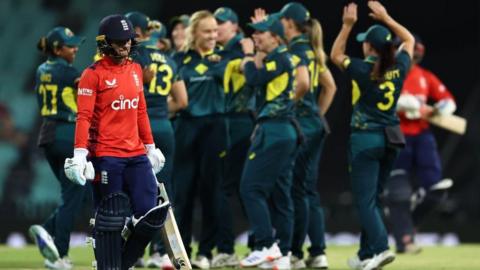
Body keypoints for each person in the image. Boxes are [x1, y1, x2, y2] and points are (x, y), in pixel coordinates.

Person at [63, 14, 168, 270]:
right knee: (110, 218)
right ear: (105, 42)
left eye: (128, 41)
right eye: (119, 41)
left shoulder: (135, 69)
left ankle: (117, 264)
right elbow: (84, 116)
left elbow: (140, 110)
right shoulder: (92, 75)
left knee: (151, 215)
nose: (125, 46)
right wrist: (80, 154)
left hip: (136, 155)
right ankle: (109, 262)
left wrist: (150, 147)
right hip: (106, 155)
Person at [330, 1, 414, 270]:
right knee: (374, 198)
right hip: (391, 140)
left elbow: (335, 55)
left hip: (366, 139)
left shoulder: (362, 69)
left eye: (366, 42)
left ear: (369, 48)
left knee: (365, 201)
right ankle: (367, 253)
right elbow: (409, 39)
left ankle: (380, 248)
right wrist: (388, 18)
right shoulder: (399, 65)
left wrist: (346, 26)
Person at [275, 2, 337, 269]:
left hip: (300, 124)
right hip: (314, 124)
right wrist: (316, 114)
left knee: (294, 190)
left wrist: (286, 105)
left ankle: (295, 253)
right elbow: (330, 87)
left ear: (289, 23)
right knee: (307, 191)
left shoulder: (296, 50)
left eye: (282, 21)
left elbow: (301, 84)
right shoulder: (313, 50)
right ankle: (318, 251)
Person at [126, 11, 188, 268]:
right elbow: (182, 101)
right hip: (164, 126)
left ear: (136, 32)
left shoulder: (132, 56)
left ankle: (135, 252)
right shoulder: (170, 59)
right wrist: (161, 112)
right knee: (165, 188)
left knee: (134, 188)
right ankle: (163, 253)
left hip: (138, 128)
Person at [238, 13, 298, 270]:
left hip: (275, 131)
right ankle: (282, 254)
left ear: (275, 37)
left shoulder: (281, 58)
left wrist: (249, 57)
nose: (254, 36)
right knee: (279, 194)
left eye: (260, 32)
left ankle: (265, 245)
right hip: (278, 130)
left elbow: (253, 78)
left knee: (250, 189)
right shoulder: (277, 56)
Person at [386, 34, 456, 254]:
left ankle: (414, 217)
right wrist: (415, 105)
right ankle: (404, 240)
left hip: (423, 136)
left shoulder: (425, 76)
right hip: (396, 136)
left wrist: (438, 110)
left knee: (436, 191)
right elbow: (387, 102)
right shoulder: (387, 74)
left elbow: (448, 102)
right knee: (399, 195)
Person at [171, 10, 228, 269]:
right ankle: (182, 252)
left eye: (216, 31)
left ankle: (205, 252)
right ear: (194, 33)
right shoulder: (178, 60)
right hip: (186, 128)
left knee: (211, 193)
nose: (214, 36)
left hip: (214, 129)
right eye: (208, 31)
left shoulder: (223, 60)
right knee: (183, 194)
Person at [29, 26, 89, 270]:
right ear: (56, 48)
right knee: (73, 195)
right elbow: (88, 91)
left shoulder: (41, 70)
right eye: (70, 45)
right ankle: (59, 254)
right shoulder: (68, 72)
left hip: (48, 134)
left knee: (72, 193)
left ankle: (46, 230)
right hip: (67, 133)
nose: (75, 49)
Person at [210, 6, 256, 268]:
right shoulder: (224, 51)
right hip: (232, 122)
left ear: (235, 27)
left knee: (232, 189)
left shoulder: (241, 49)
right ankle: (258, 245)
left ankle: (232, 248)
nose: (217, 28)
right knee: (241, 188)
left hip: (240, 123)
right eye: (214, 24)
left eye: (222, 24)